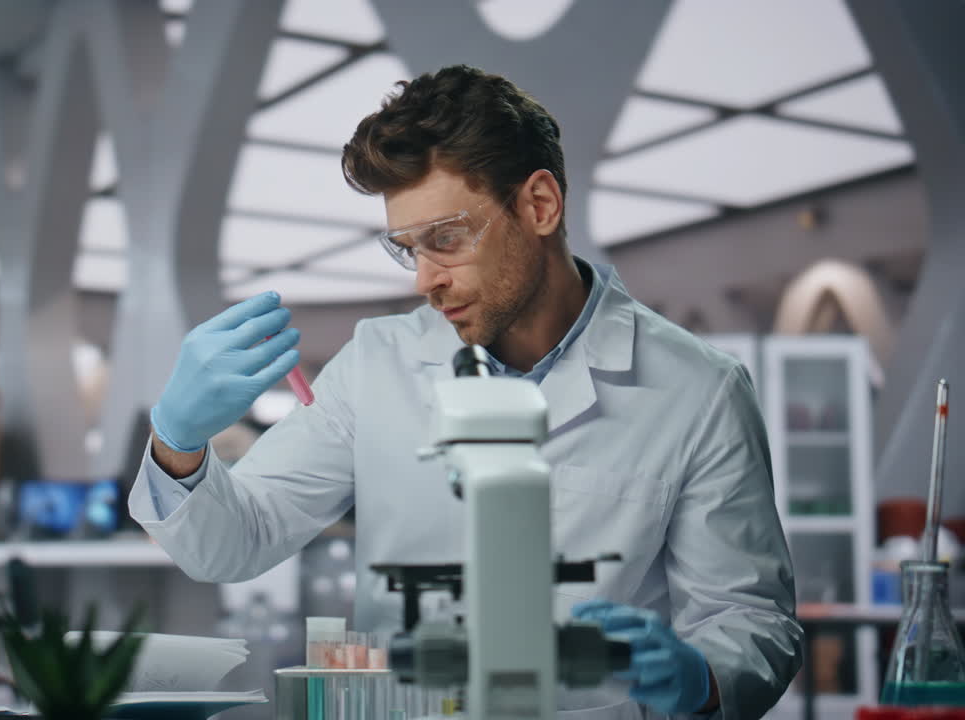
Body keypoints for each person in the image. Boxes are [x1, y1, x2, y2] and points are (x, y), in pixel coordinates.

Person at [129, 64, 801, 719]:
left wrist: (704, 677)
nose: (425, 280)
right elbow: (238, 540)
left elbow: (749, 619)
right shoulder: (377, 363)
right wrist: (178, 444)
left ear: (539, 205)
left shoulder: (698, 391)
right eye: (407, 249)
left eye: (446, 239)